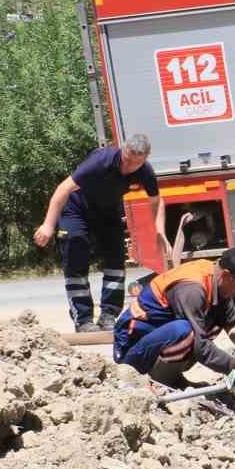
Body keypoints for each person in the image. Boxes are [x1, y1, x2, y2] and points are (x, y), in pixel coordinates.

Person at [34, 136, 167, 332]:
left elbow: (156, 201)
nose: (129, 167)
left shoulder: (145, 170)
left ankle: (108, 316)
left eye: (135, 164)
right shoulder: (101, 161)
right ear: (123, 151)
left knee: (115, 259)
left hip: (108, 211)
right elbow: (63, 189)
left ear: (145, 158)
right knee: (76, 252)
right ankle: (83, 319)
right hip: (76, 208)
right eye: (127, 160)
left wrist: (160, 232)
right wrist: (47, 224)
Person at [111, 249, 235, 390]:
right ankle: (162, 382)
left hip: (155, 338)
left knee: (212, 323)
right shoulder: (193, 288)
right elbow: (200, 346)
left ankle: (172, 378)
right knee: (187, 332)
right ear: (227, 275)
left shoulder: (218, 282)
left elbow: (233, 325)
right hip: (131, 349)